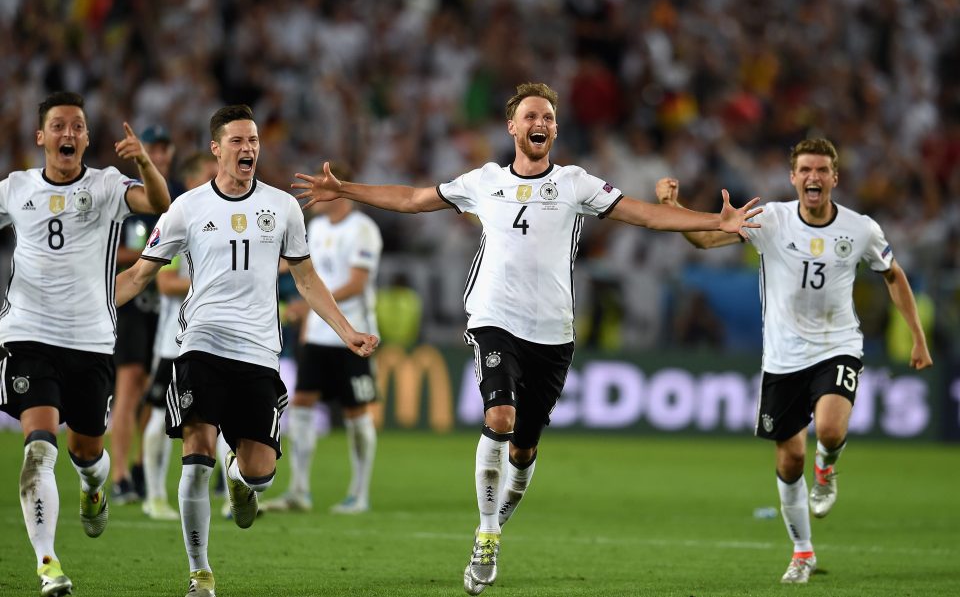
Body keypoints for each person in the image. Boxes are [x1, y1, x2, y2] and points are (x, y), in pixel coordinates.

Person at [292, 82, 761, 595]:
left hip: (554, 332)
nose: (541, 123)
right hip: (494, 317)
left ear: (554, 130)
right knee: (500, 416)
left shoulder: (577, 184)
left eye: (549, 118)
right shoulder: (483, 180)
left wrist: (716, 221)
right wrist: (345, 189)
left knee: (523, 451)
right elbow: (410, 198)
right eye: (531, 116)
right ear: (513, 127)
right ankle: (487, 534)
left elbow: (645, 214)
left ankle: (496, 518)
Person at [115, 105, 378, 597]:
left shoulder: (282, 207)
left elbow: (305, 278)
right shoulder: (186, 208)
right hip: (200, 346)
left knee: (259, 472)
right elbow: (139, 274)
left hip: (259, 353)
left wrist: (347, 330)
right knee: (196, 450)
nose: (248, 149)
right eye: (237, 141)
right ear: (216, 148)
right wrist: (90, 306)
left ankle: (241, 480)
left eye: (253, 141)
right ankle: (200, 574)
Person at [655, 137, 933, 584]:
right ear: (793, 177)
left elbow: (894, 276)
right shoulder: (772, 219)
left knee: (829, 428)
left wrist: (919, 339)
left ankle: (827, 468)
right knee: (788, 462)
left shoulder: (861, 229)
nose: (813, 178)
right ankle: (802, 552)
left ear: (834, 178)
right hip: (784, 356)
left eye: (822, 170)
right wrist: (675, 205)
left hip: (837, 345)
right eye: (805, 170)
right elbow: (706, 241)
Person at [0, 91, 170, 596]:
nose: (67, 134)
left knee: (86, 452)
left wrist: (143, 161)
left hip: (91, 339)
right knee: (39, 450)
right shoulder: (15, 188)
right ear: (40, 136)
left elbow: (160, 204)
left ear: (87, 138)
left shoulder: (107, 185)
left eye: (76, 127)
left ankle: (96, 489)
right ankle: (47, 563)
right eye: (58, 126)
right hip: (28, 335)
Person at [261, 161, 383, 516]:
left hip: (352, 334)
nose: (315, 193)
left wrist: (307, 305)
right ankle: (299, 490)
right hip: (316, 336)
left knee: (356, 412)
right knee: (300, 406)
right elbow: (296, 266)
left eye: (322, 187)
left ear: (338, 188)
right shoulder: (315, 228)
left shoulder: (363, 229)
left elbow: (357, 284)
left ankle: (359, 493)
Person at [141, 151, 218, 520]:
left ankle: (231, 488)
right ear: (190, 180)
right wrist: (209, 282)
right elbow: (165, 281)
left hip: (212, 340)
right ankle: (154, 494)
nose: (218, 175)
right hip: (174, 339)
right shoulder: (179, 220)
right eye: (209, 172)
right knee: (159, 415)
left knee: (217, 418)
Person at [111, 124, 179, 504]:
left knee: (155, 392)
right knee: (130, 383)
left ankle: (139, 466)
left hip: (166, 310)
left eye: (165, 148)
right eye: (154, 148)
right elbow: (119, 253)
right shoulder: (132, 203)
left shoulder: (179, 197)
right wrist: (156, 256)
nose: (162, 154)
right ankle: (119, 473)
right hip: (134, 305)